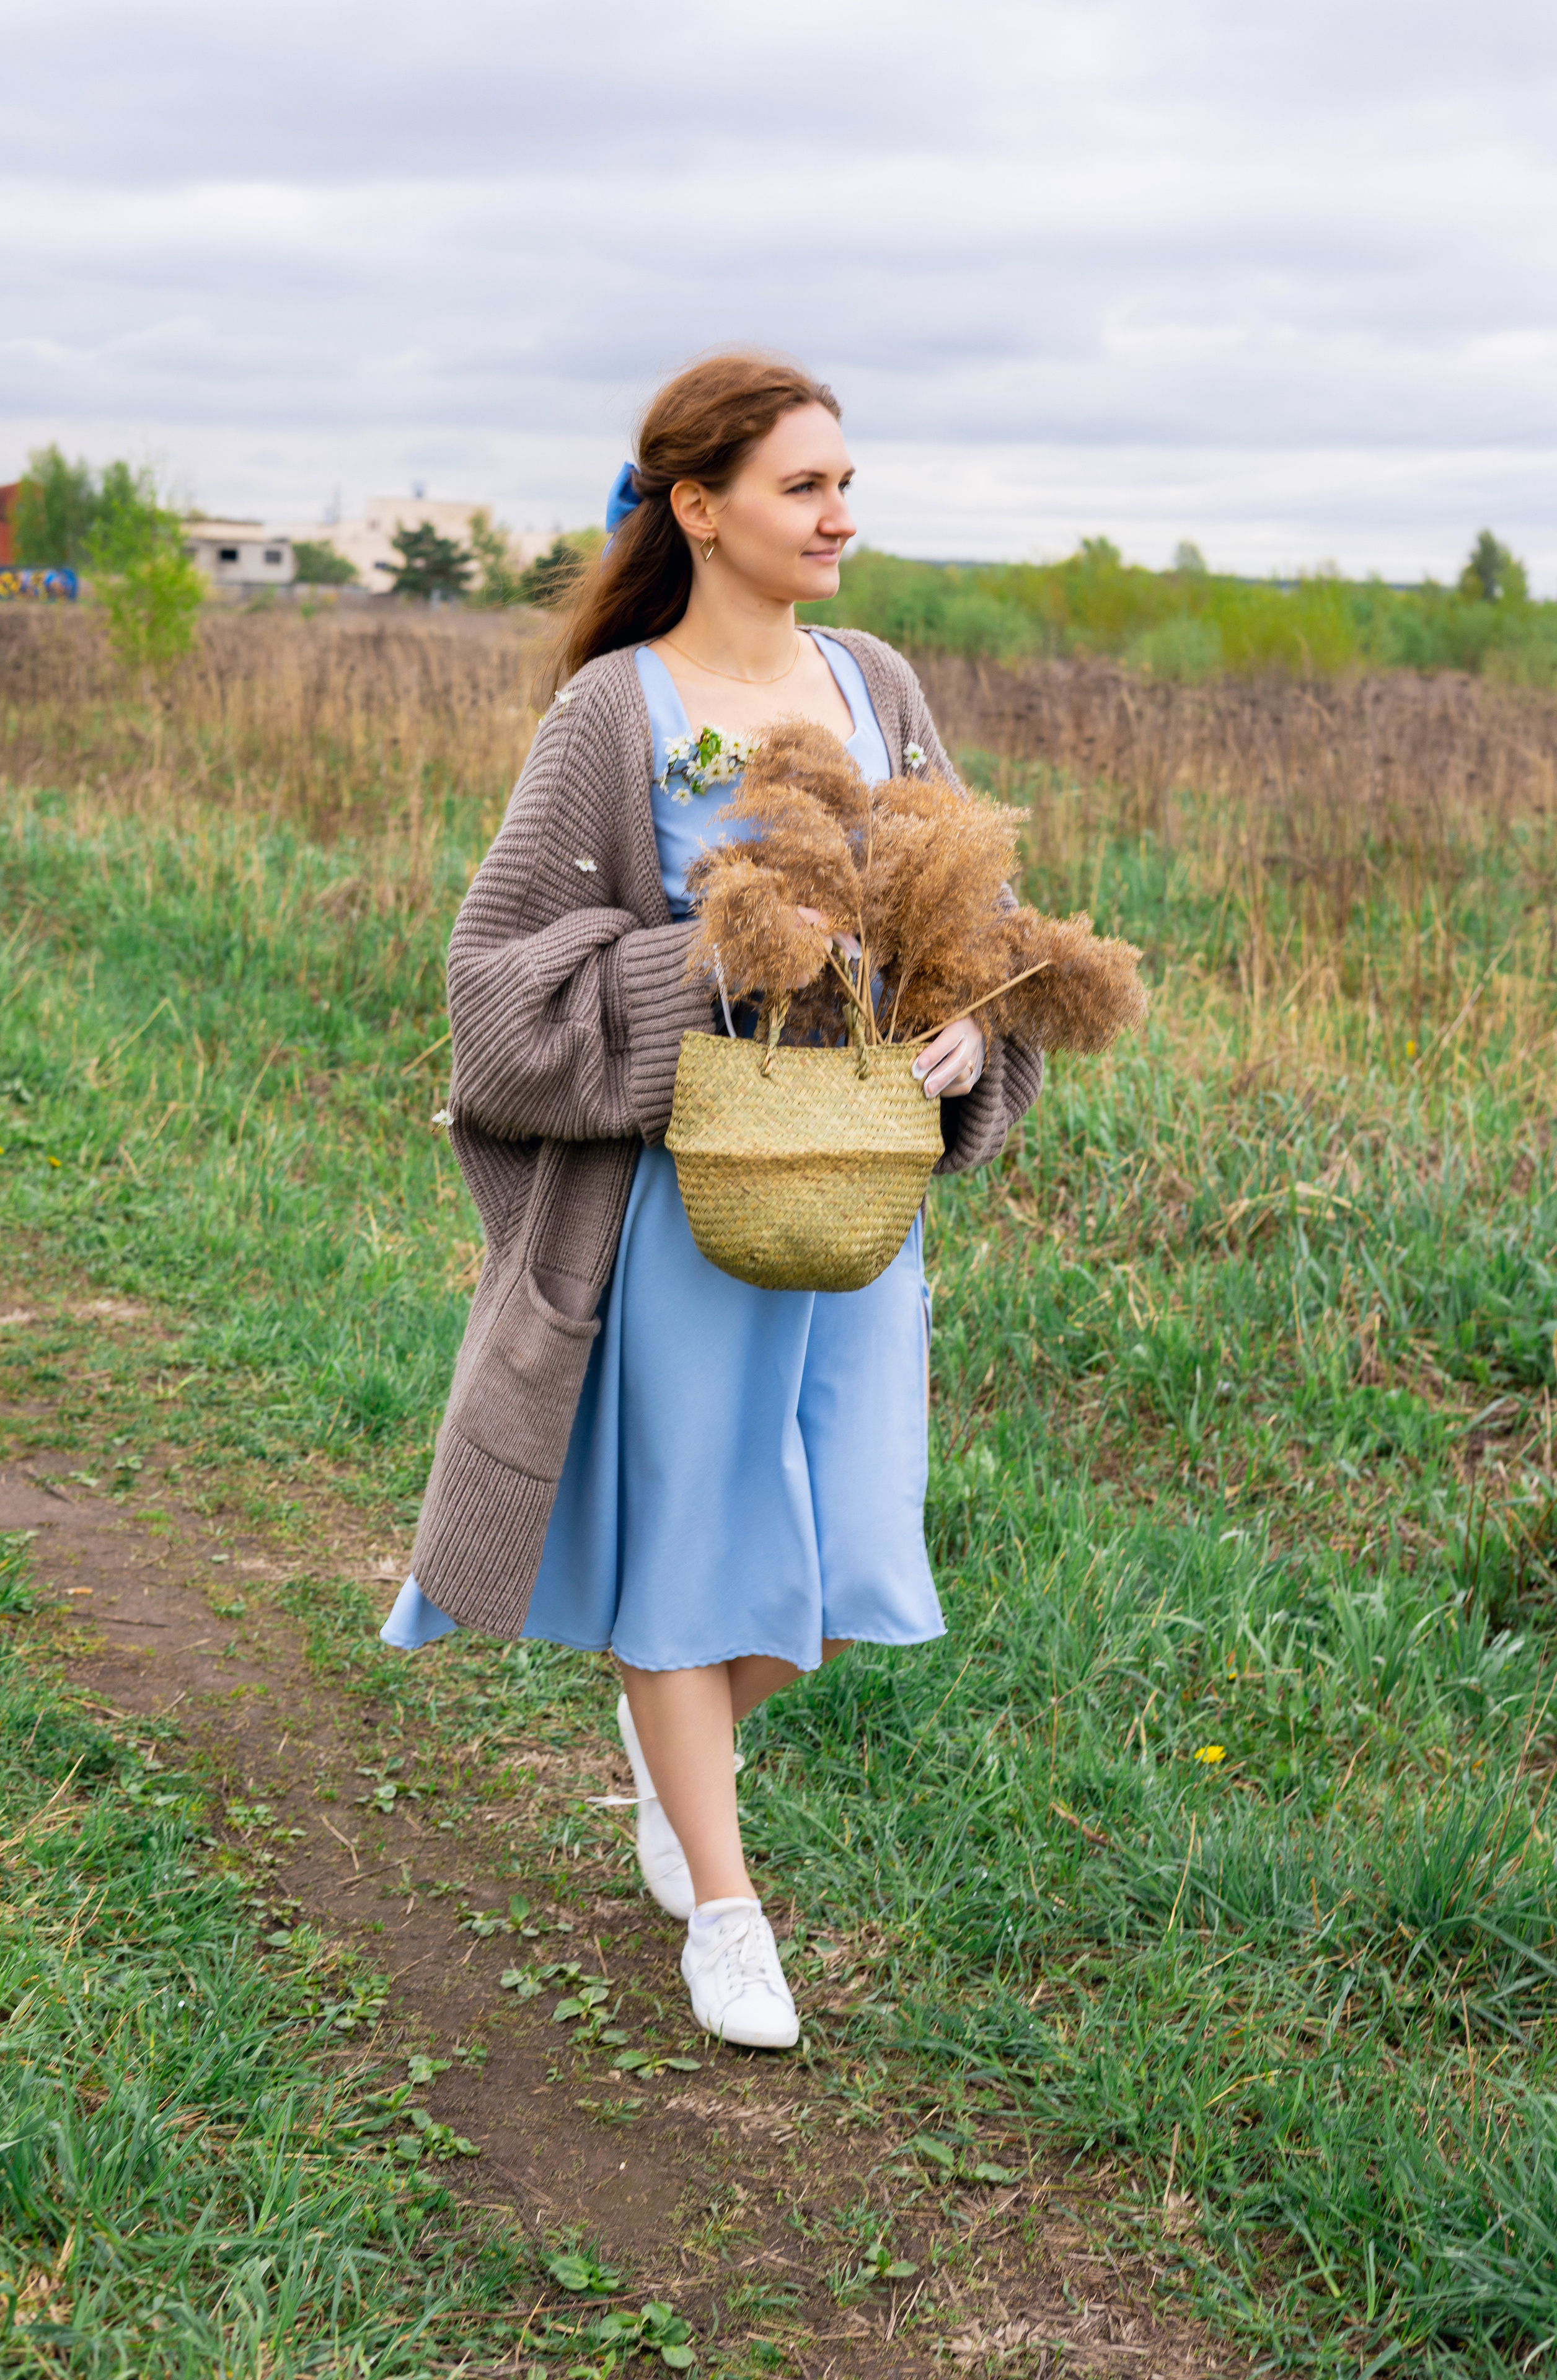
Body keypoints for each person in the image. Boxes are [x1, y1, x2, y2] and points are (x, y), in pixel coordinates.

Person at [381, 351, 1044, 2051]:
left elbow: (973, 914)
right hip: (683, 1215)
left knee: (833, 1566)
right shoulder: (619, 712)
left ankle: (672, 1737)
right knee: (690, 1541)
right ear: (698, 506)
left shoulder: (876, 681)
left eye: (844, 482)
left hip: (858, 1204)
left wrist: (967, 1028)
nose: (838, 514)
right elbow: (495, 978)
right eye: (801, 485)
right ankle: (729, 1915)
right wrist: (712, 965)